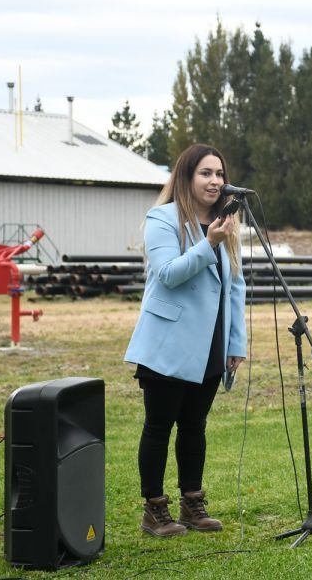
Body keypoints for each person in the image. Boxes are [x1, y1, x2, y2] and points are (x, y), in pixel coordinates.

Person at [124, 144, 247, 537]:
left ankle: (192, 504)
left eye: (220, 174)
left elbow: (235, 286)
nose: (216, 181)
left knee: (195, 425)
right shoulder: (163, 218)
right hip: (167, 342)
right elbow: (168, 274)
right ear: (186, 177)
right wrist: (208, 242)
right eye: (205, 174)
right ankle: (154, 510)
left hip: (210, 341)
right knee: (159, 426)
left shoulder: (224, 222)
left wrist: (235, 342)